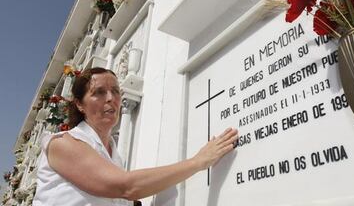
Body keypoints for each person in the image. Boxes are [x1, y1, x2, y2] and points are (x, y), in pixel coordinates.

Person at [33, 67, 238, 205]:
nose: (111, 99)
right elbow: (126, 186)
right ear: (79, 104)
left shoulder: (114, 155)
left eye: (115, 91)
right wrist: (199, 161)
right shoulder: (62, 144)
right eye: (99, 92)